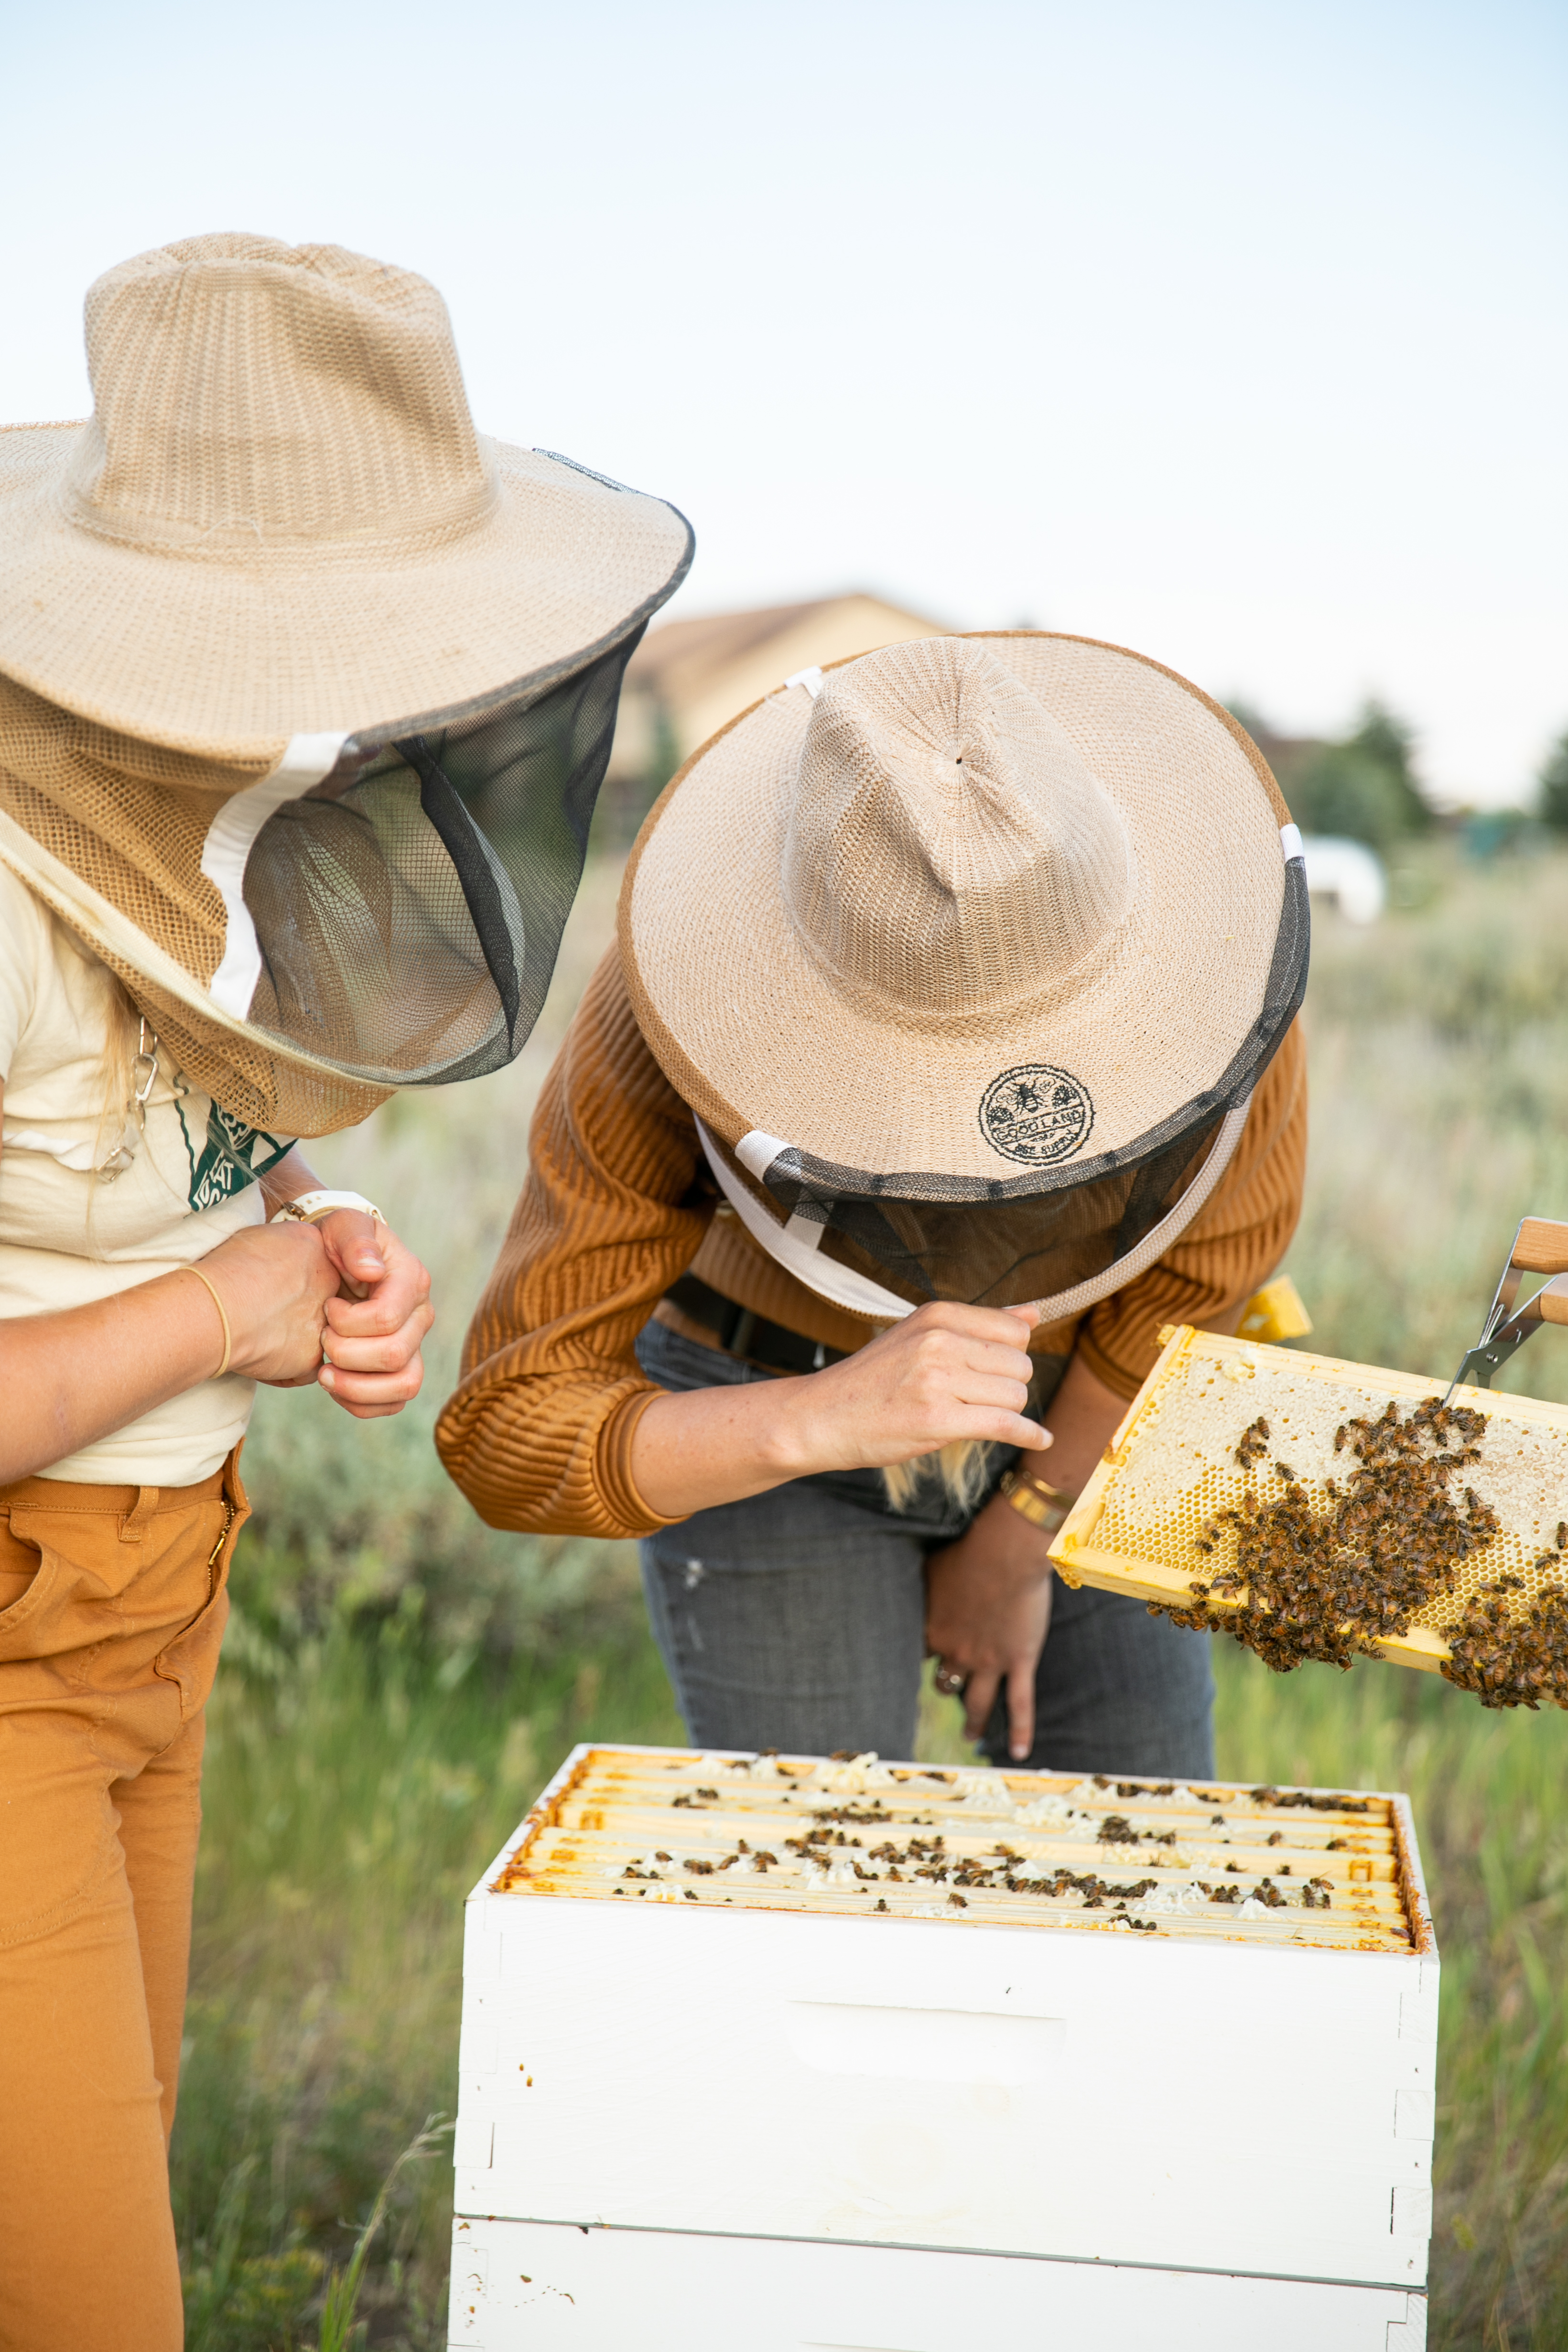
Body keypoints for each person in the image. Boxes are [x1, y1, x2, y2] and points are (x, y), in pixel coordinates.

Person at [0, 232, 690, 2352]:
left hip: (154, 1616)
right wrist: (228, 1308)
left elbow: (151, 1131)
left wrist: (308, 1233)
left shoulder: (193, 811)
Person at [438, 632, 1307, 1780]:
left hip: (1097, 1408)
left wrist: (1022, 1535)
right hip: (769, 1414)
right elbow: (510, 1429)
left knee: (1136, 1859)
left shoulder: (1227, 977)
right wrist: (821, 1421)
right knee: (827, 1894)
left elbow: (1203, 1278)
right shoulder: (658, 1016)